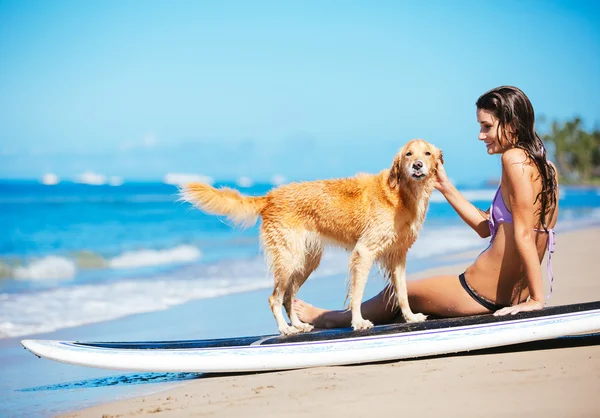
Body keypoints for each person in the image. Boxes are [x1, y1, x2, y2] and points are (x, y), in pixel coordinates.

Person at [294, 86, 559, 328]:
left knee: (398, 292)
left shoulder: (513, 161)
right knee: (403, 308)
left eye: (487, 126)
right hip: (510, 292)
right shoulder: (548, 169)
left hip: (480, 291)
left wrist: (536, 299)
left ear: (511, 124)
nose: (481, 135)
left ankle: (328, 318)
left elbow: (524, 234)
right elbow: (486, 228)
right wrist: (446, 188)